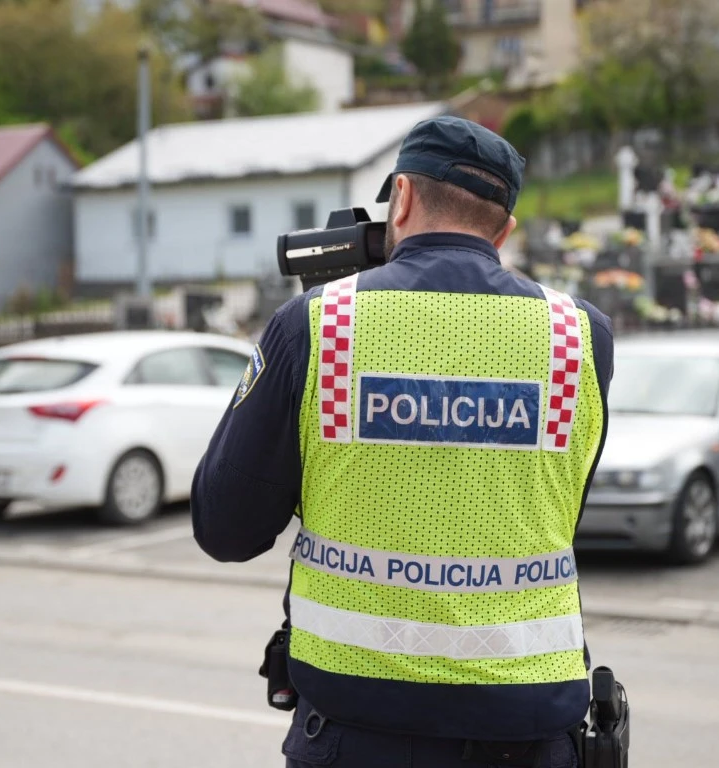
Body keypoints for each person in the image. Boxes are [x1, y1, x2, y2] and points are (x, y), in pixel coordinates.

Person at [191, 116, 615, 768]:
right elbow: (550, 506)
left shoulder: (318, 323)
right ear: (502, 230)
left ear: (404, 198)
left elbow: (226, 529)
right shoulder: (580, 336)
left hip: (358, 727)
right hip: (527, 727)